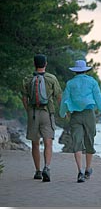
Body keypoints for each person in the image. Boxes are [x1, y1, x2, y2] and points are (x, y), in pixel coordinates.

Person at [60, 60, 101, 183]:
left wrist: (62, 113)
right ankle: (88, 168)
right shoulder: (92, 82)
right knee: (89, 140)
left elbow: (65, 100)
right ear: (86, 70)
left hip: (75, 115)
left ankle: (80, 171)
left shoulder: (70, 83)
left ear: (75, 71)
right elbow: (98, 99)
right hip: (89, 114)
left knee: (76, 142)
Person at [21, 54, 62, 182]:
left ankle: (38, 171)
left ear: (34, 64)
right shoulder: (51, 78)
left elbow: (24, 98)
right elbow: (59, 96)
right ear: (46, 64)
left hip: (33, 113)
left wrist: (29, 110)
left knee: (35, 143)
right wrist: (62, 111)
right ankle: (47, 167)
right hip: (47, 112)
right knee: (48, 142)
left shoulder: (28, 79)